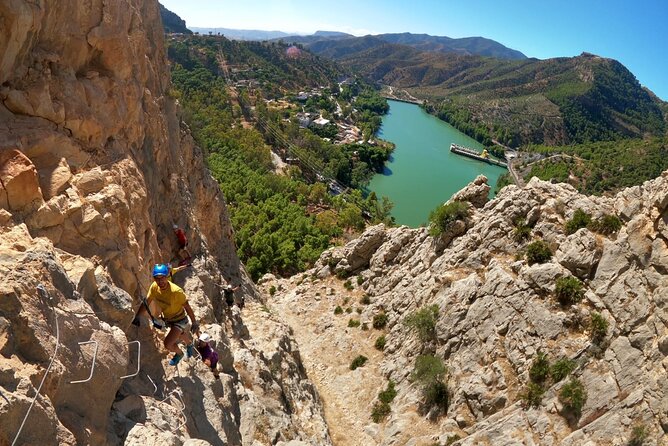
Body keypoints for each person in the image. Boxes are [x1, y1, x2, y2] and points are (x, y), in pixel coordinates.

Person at [132, 264, 199, 366]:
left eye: (162, 278)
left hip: (179, 319)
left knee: (168, 344)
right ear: (154, 278)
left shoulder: (176, 291)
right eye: (157, 278)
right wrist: (138, 316)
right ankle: (189, 344)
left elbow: (187, 307)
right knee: (180, 335)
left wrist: (194, 323)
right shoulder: (154, 287)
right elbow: (146, 302)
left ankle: (179, 353)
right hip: (168, 318)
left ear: (167, 276)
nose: (160, 281)